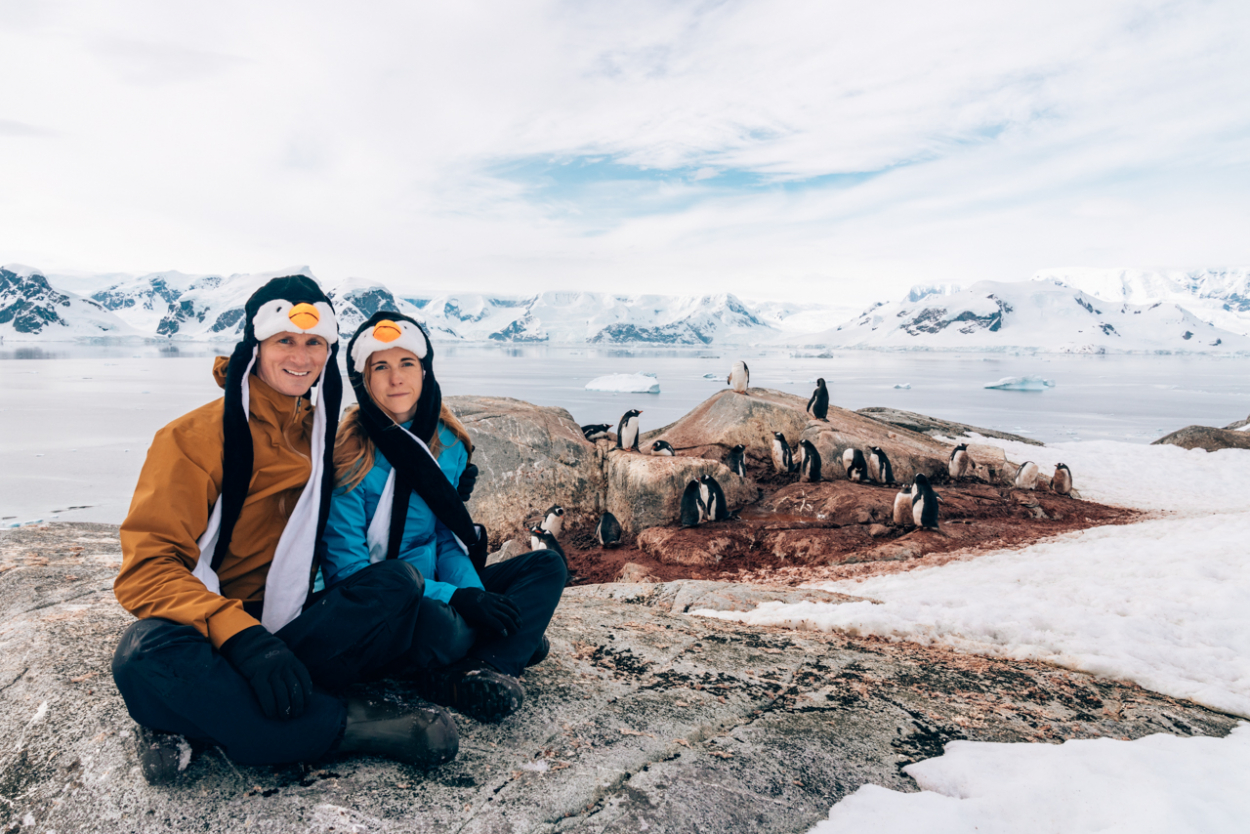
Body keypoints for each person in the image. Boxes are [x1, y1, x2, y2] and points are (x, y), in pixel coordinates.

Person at [111, 276, 459, 785]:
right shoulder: (192, 438)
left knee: (396, 585)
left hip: (294, 623)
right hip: (210, 626)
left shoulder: (319, 431)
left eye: (314, 342)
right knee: (143, 654)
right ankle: (342, 725)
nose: (301, 356)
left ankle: (202, 714)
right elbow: (147, 570)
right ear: (257, 344)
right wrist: (243, 639)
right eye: (285, 341)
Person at [322, 311, 566, 724]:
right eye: (380, 366)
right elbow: (349, 573)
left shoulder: (446, 443)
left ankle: (485, 667)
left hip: (438, 579)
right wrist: (458, 600)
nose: (395, 378)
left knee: (546, 565)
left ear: (425, 369)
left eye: (406, 363)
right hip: (386, 602)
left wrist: (475, 595)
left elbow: (444, 537)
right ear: (363, 378)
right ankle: (499, 650)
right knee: (444, 626)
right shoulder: (350, 456)